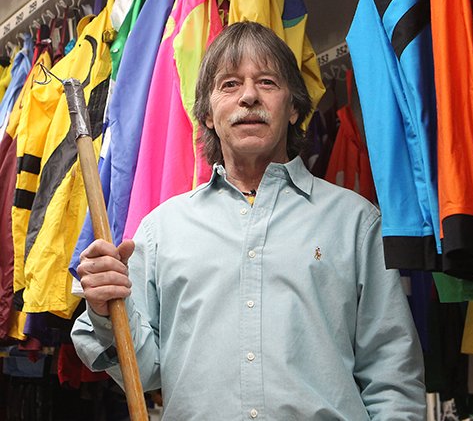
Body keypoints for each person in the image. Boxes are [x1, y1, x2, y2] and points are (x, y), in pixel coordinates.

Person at [71, 21, 427, 420]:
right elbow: (145, 369)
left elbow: (392, 376)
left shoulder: (355, 223)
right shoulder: (160, 231)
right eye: (229, 84)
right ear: (207, 115)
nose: (249, 97)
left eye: (268, 82)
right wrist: (106, 311)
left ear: (293, 108)